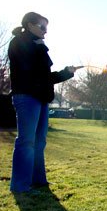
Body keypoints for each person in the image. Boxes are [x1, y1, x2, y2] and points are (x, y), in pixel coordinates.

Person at [8, 12, 82, 193]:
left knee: (39, 142)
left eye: (46, 28)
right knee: (26, 141)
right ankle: (20, 186)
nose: (45, 32)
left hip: (41, 99)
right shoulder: (19, 42)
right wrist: (40, 48)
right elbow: (29, 71)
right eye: (42, 27)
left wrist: (67, 72)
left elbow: (46, 77)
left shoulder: (38, 46)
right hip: (26, 97)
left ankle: (38, 181)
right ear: (30, 25)